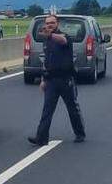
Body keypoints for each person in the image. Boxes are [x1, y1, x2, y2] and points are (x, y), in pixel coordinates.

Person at [29, 14, 86, 145]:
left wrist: (50, 35)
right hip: (51, 81)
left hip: (66, 80)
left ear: (57, 24)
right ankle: (41, 138)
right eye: (47, 23)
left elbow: (62, 41)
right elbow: (46, 61)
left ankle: (80, 133)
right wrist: (43, 79)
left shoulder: (64, 37)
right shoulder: (46, 41)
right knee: (47, 110)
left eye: (52, 23)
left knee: (72, 109)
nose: (49, 25)